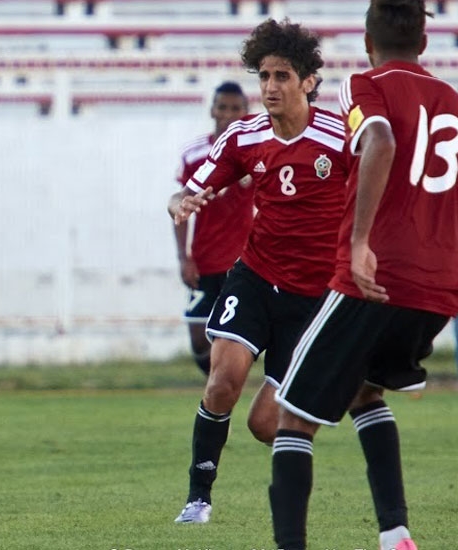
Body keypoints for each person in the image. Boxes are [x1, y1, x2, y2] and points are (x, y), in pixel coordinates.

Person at [269, 2, 458, 549]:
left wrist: (359, 244)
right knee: (365, 393)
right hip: (436, 289)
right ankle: (396, 534)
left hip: (375, 278)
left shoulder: (365, 84)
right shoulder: (450, 102)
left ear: (368, 43)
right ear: (424, 44)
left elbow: (380, 140)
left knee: (293, 419)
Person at [167, 19, 350, 524]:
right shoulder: (243, 137)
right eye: (264, 75)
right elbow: (190, 188)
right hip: (255, 277)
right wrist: (182, 202)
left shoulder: (341, 139)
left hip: (313, 297)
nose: (269, 87)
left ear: (309, 81)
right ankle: (198, 499)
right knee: (222, 381)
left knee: (266, 424)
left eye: (282, 76)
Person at [172, 81, 254, 378]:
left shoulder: (256, 152)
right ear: (212, 110)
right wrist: (184, 257)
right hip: (205, 262)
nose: (228, 114)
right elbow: (180, 210)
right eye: (222, 107)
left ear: (246, 112)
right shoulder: (194, 155)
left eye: (235, 108)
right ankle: (219, 385)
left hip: (244, 263)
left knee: (240, 337)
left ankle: (224, 394)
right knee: (198, 338)